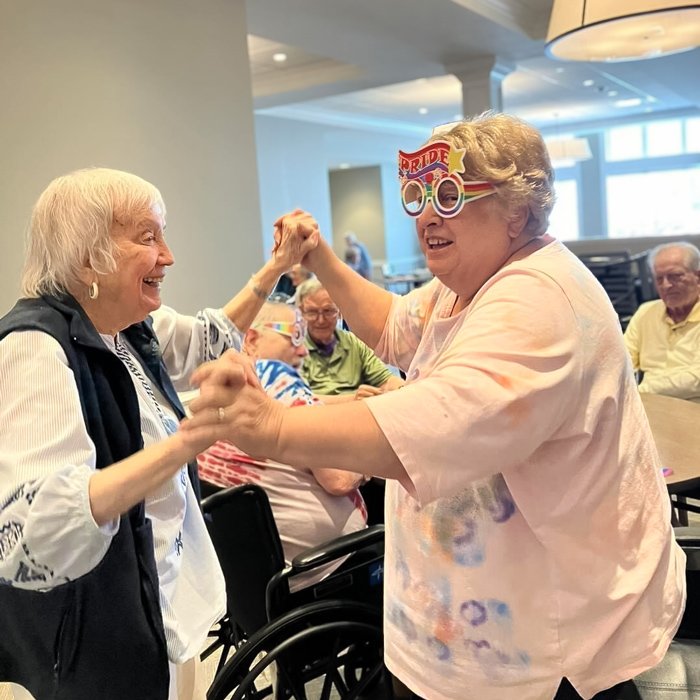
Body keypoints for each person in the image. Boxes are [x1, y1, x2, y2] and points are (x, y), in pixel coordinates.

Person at [183, 113, 685, 700]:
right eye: (418, 195)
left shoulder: (539, 298)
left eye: (449, 195)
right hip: (459, 640)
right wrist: (317, 260)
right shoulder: (473, 280)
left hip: (542, 657)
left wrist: (273, 426)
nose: (426, 213)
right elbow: (396, 325)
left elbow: (434, 426)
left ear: (516, 210)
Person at [0, 167, 311, 700]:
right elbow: (29, 533)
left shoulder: (127, 327)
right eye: (148, 237)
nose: (168, 256)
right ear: (87, 257)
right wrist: (188, 440)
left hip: (168, 608)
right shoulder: (36, 349)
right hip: (98, 642)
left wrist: (279, 266)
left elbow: (209, 340)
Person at [195, 302, 367, 590]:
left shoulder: (226, 380)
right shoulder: (280, 376)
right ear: (251, 338)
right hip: (321, 569)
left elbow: (292, 406)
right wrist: (366, 464)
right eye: (295, 336)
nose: (303, 350)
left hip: (248, 577)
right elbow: (338, 480)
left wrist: (351, 400)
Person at [296, 278, 404, 400]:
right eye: (312, 312)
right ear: (300, 312)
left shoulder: (353, 342)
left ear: (339, 311)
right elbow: (296, 399)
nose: (321, 320)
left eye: (328, 311)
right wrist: (352, 399)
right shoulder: (291, 349)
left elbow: (386, 380)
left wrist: (403, 389)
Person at [624, 242, 700, 401]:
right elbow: (622, 361)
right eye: (659, 279)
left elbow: (696, 379)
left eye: (675, 276)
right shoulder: (646, 312)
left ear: (697, 277)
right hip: (645, 407)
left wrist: (640, 390)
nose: (666, 285)